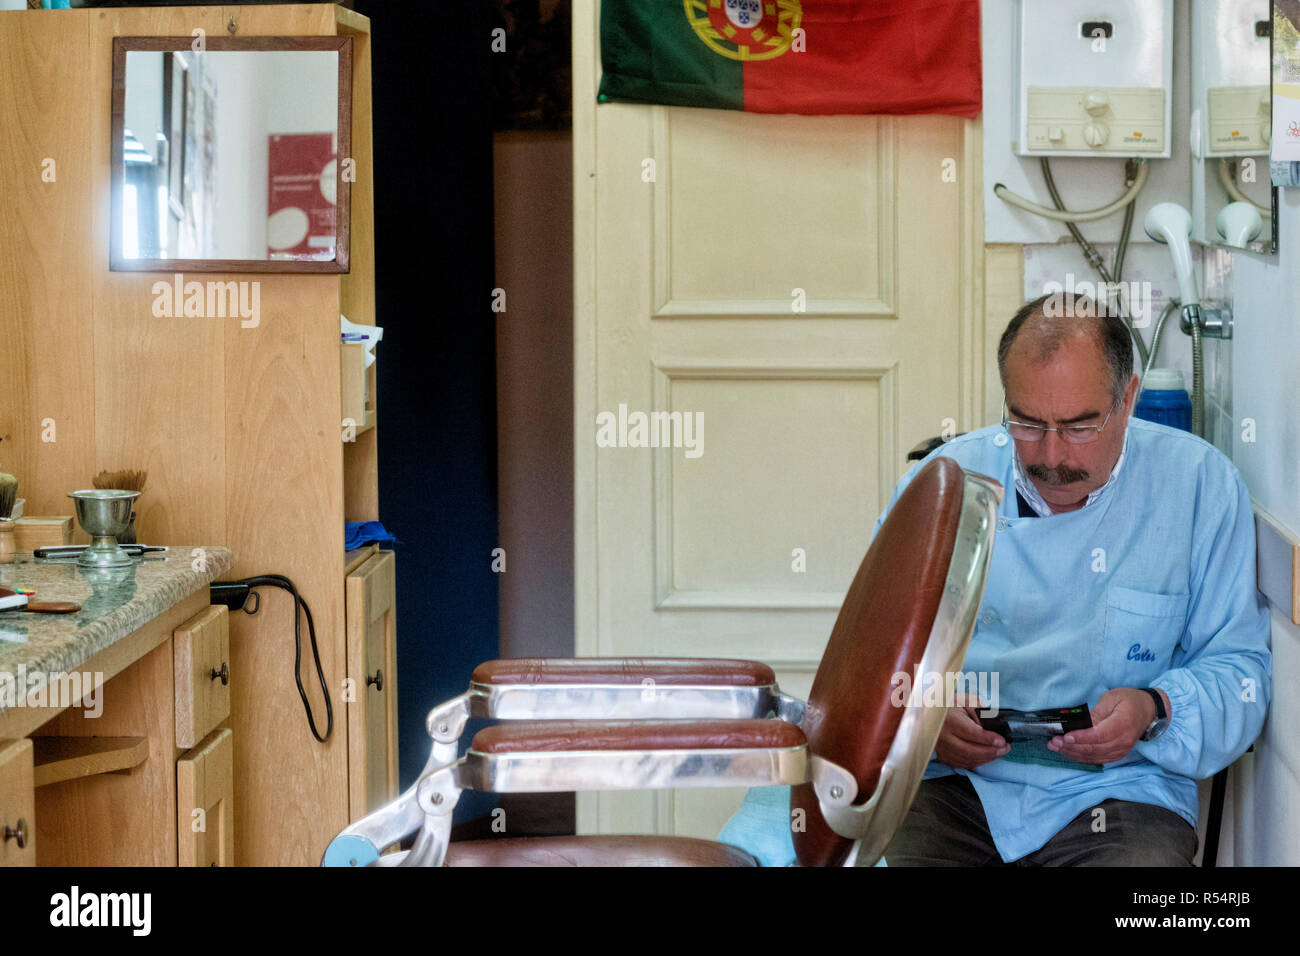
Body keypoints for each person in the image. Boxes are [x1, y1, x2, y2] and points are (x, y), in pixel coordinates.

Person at [877, 292, 1272, 866]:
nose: (1052, 455)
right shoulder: (946, 488)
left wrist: (1156, 708)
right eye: (1028, 423)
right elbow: (875, 662)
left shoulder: (1199, 487)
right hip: (952, 786)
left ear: (1128, 398)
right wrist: (928, 713)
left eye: (1080, 425)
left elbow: (1241, 673)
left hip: (1121, 792)